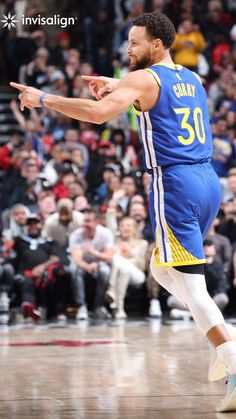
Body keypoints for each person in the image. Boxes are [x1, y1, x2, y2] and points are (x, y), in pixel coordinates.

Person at [10, 11, 236, 412]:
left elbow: (98, 114)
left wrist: (43, 98)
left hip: (175, 184)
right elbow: (154, 90)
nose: (126, 48)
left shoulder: (141, 80)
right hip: (206, 183)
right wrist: (118, 84)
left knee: (191, 284)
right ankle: (227, 350)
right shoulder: (193, 78)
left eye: (135, 43)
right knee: (164, 271)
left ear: (158, 45)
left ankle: (232, 356)